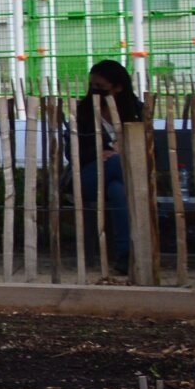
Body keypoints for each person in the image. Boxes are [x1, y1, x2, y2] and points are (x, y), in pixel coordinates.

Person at [75, 58, 145, 273]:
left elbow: (153, 149)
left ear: (118, 88)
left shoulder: (136, 111)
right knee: (115, 163)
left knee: (118, 190)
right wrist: (100, 152)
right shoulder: (83, 112)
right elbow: (73, 152)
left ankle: (125, 256)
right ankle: (150, 205)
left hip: (121, 177)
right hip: (87, 176)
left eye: (101, 87)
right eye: (92, 86)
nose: (95, 91)